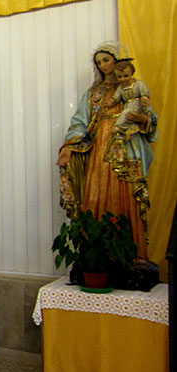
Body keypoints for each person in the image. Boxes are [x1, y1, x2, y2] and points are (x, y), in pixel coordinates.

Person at [57, 41, 157, 260]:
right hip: (100, 150)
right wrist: (68, 148)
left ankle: (132, 257)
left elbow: (151, 120)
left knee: (128, 195)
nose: (103, 66)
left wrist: (141, 119)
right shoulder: (95, 93)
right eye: (99, 62)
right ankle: (97, 256)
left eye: (106, 60)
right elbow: (80, 123)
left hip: (127, 149)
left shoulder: (134, 89)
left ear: (118, 61)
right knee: (96, 194)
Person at [110, 59, 152, 135]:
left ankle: (120, 127)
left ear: (131, 73)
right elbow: (117, 95)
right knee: (125, 114)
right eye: (119, 77)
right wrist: (113, 100)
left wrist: (144, 97)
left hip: (137, 104)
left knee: (126, 113)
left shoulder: (137, 83)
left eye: (126, 76)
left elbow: (144, 91)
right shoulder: (121, 87)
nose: (123, 79)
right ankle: (128, 129)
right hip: (128, 105)